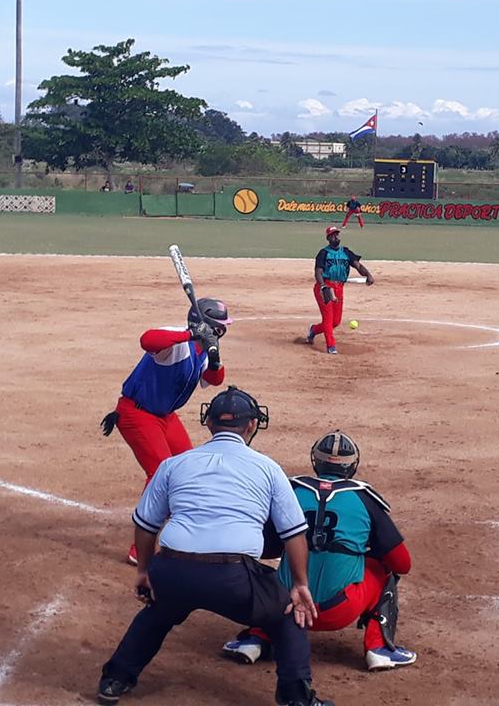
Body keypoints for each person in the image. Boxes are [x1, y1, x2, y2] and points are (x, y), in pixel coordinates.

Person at [97, 386, 334, 706]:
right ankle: (296, 698)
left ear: (208, 423)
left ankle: (114, 680)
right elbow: (293, 534)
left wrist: (144, 571)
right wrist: (301, 584)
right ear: (252, 425)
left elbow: (146, 525)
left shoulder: (174, 464)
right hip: (232, 577)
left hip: (173, 569)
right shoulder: (267, 468)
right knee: (289, 612)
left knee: (159, 610)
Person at [223, 431, 416, 671]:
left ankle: (255, 638)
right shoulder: (365, 499)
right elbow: (402, 564)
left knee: (266, 575)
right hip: (339, 610)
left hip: (287, 607)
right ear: (352, 465)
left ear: (316, 461)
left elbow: (265, 547)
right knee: (382, 568)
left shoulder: (292, 490)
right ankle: (379, 648)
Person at [100, 298, 231, 565]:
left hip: (165, 417)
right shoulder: (178, 342)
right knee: (160, 474)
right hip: (137, 413)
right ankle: (140, 550)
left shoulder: (202, 349)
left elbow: (214, 380)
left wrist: (215, 359)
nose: (223, 331)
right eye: (220, 326)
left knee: (189, 469)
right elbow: (147, 340)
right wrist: (191, 334)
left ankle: (188, 529)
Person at [306, 226, 374, 355]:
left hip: (339, 288)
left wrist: (368, 275)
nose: (335, 237)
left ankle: (313, 330)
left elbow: (358, 265)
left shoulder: (346, 252)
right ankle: (331, 346)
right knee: (328, 318)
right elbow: (318, 272)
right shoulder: (323, 253)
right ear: (328, 238)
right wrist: (322, 286)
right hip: (325, 287)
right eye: (332, 235)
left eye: (336, 235)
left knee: (335, 322)